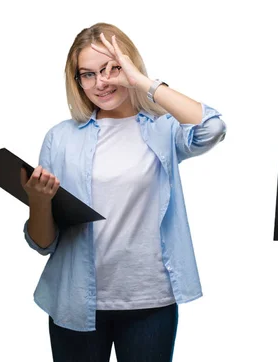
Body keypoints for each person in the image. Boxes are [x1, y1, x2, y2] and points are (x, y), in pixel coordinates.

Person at [20, 22, 226, 362]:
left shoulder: (163, 129)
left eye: (111, 68)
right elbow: (44, 243)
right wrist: (39, 203)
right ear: (77, 82)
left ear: (129, 65)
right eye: (88, 74)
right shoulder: (60, 138)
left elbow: (213, 127)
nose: (101, 82)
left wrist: (142, 83)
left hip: (150, 302)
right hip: (74, 301)